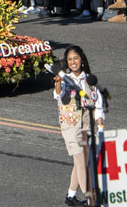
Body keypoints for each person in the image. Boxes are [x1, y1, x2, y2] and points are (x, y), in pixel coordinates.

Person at [53, 45, 104, 207]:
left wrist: (100, 121)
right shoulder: (64, 79)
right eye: (70, 59)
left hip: (86, 124)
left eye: (76, 58)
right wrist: (58, 83)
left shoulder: (89, 79)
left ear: (81, 59)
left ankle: (70, 196)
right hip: (70, 125)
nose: (73, 62)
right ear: (66, 62)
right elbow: (59, 95)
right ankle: (91, 200)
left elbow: (98, 102)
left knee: (80, 162)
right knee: (82, 162)